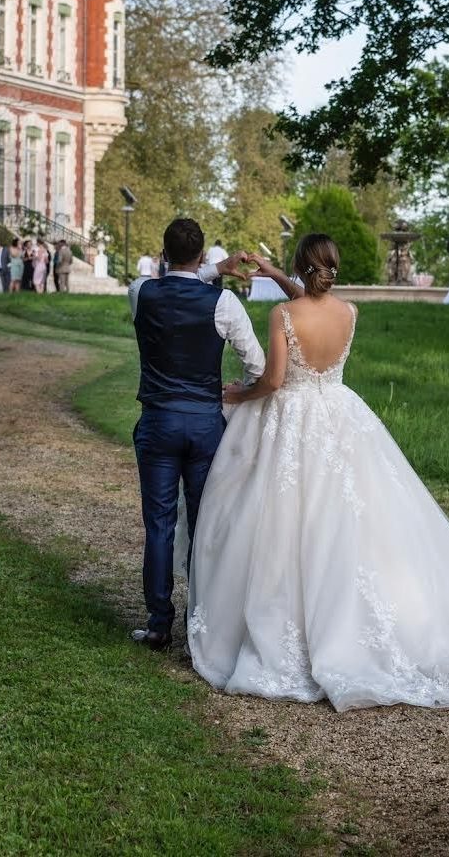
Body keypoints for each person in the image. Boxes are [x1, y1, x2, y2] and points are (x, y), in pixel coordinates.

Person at [187, 236, 449, 711]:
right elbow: (311, 306)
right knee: (356, 519)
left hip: (294, 417)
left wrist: (235, 395)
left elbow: (273, 380)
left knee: (285, 522)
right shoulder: (349, 313)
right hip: (340, 414)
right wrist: (280, 276)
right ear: (329, 270)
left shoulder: (282, 315)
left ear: (301, 268)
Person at [127, 220, 258, 653]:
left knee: (160, 525)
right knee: (205, 527)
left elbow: (173, 278)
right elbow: (256, 366)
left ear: (162, 254)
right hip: (204, 425)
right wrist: (233, 392)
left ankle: (159, 624)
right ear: (202, 256)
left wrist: (209, 268)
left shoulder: (140, 292)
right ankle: (200, 624)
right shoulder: (223, 303)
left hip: (159, 422)